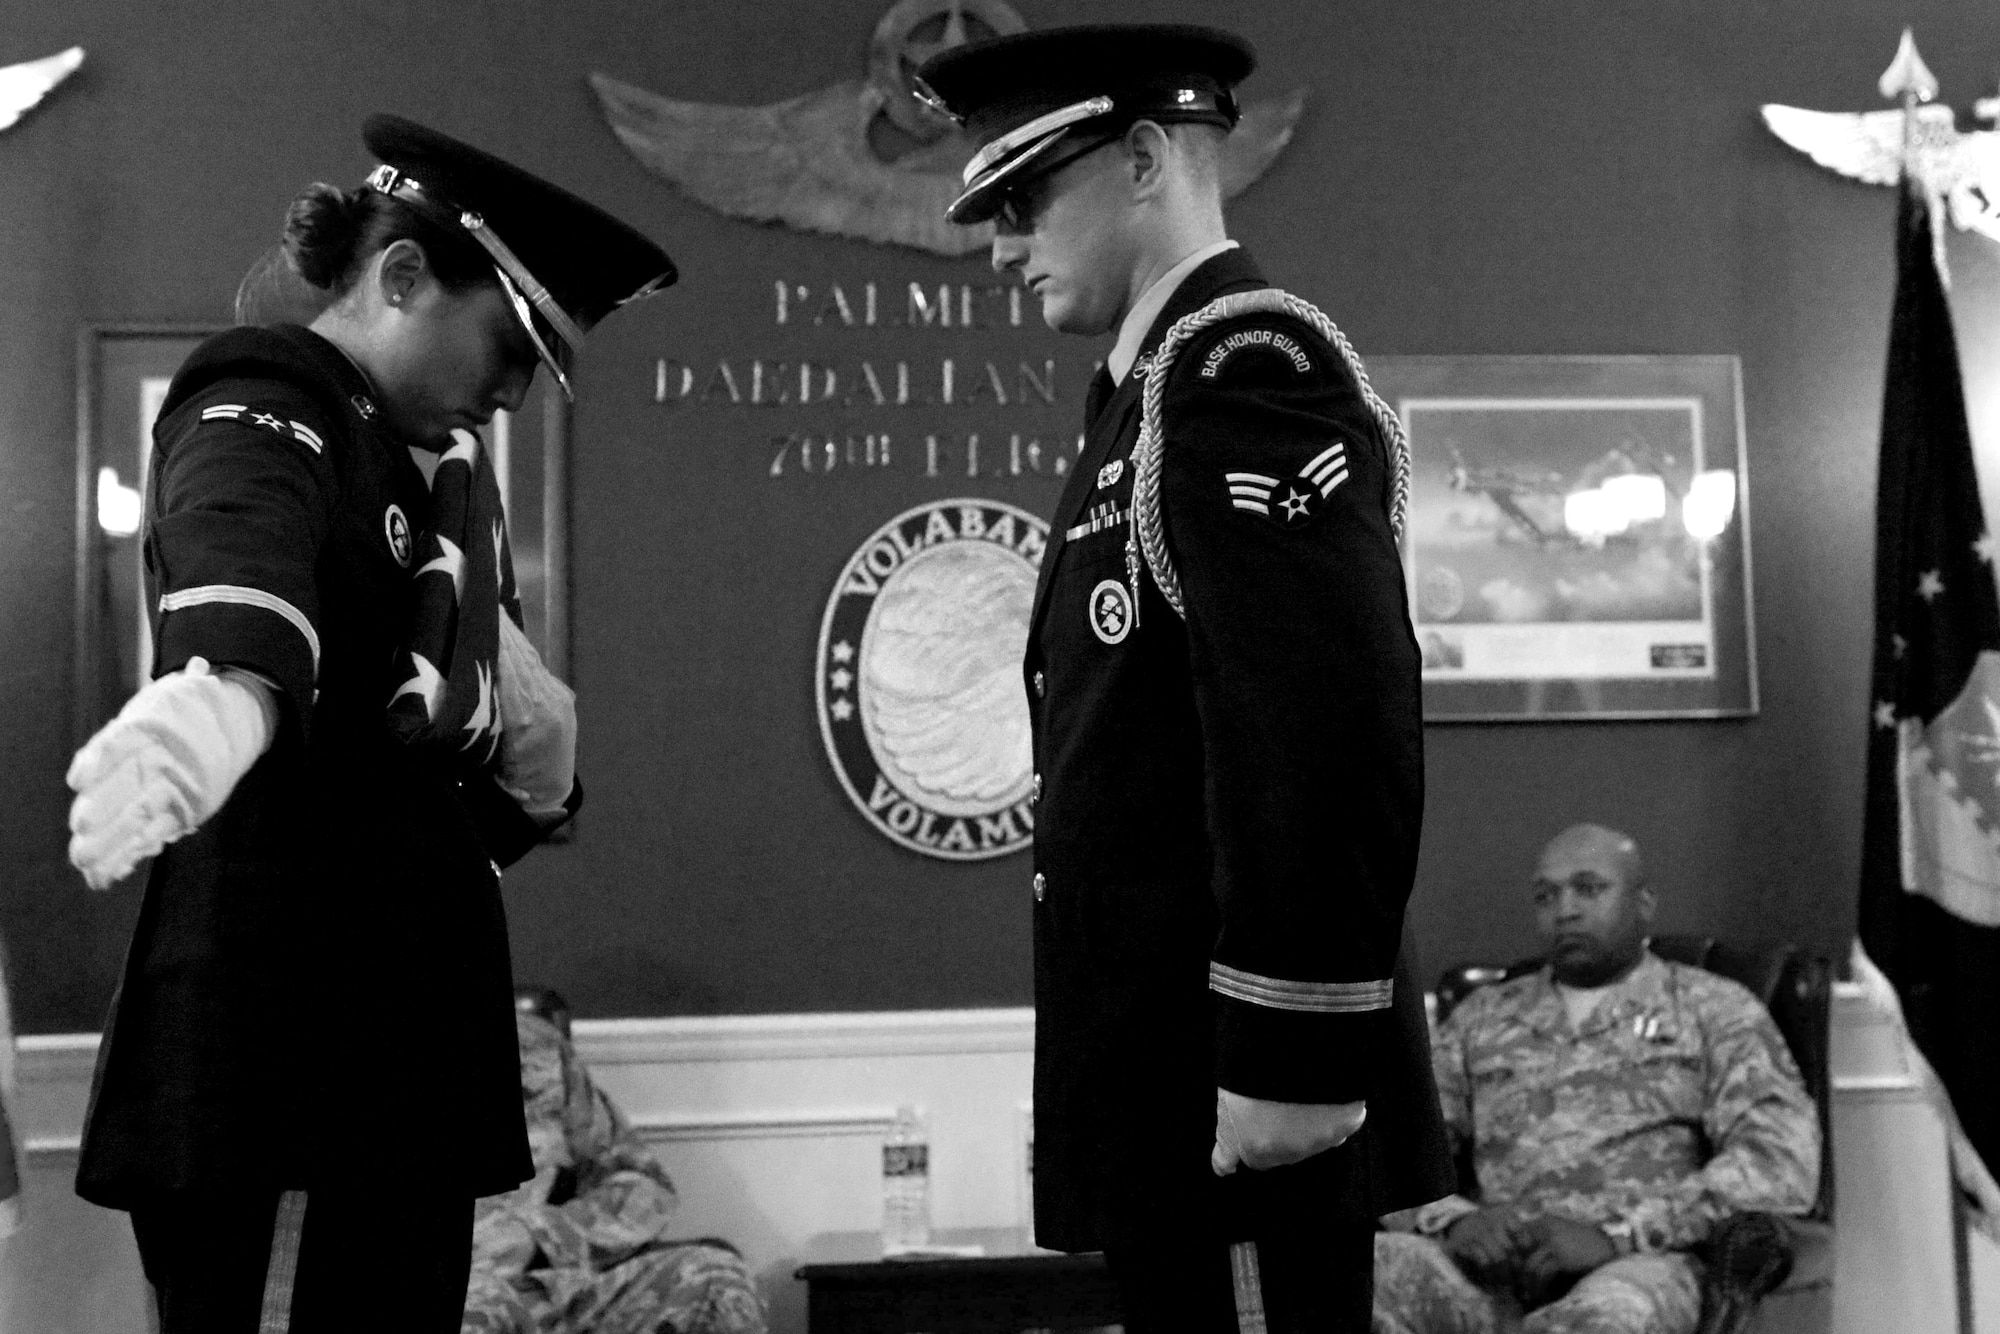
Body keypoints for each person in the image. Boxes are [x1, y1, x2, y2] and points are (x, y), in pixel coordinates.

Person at [63, 115, 675, 1334]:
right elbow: (249, 548)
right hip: (296, 1058)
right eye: (511, 343)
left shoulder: (433, 479)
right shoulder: (267, 403)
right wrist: (225, 695)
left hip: (393, 1058)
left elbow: (405, 793)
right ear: (400, 275)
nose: (513, 389)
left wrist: (534, 784)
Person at [917, 25, 1453, 1333]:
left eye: (1025, 198)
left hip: (1241, 1088)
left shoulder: (1242, 368)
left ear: (1146, 157)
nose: (998, 245)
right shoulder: (1140, 394)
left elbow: (1326, 724)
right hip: (1168, 1080)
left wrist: (1293, 1051)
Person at [1374, 824, 1821, 1334]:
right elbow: (1399, 1150)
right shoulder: (1483, 1018)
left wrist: (1620, 1234)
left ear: (1644, 902)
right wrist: (1454, 1220)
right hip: (1491, 1271)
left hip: (1639, 1268)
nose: (1565, 910)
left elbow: (1777, 1164)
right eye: (1546, 895)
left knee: (1606, 1317)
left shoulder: (1713, 1010)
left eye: (1588, 889)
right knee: (1368, 1275)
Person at [462, 1006, 768, 1334]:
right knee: (484, 1310)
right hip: (474, 1301)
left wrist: (540, 1235)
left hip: (546, 1292)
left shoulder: (534, 1050)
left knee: (714, 1283)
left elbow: (642, 1186)